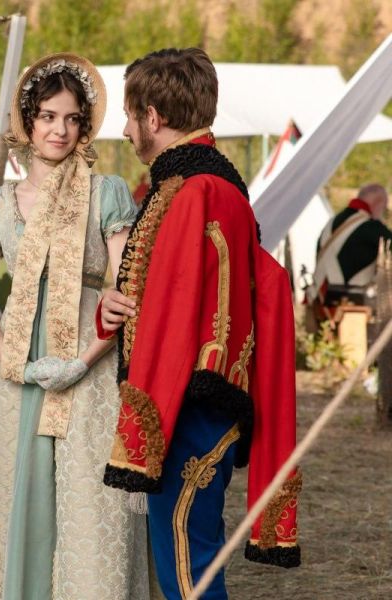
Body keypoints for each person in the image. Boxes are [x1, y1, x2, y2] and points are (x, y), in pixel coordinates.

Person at [98, 48, 301, 599]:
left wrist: (148, 424)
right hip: (199, 406)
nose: (126, 130)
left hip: (191, 410)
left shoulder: (195, 191)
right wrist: (113, 307)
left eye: (130, 116)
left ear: (153, 117)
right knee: (187, 564)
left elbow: (179, 311)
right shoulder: (208, 186)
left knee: (188, 573)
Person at [0, 53, 149, 600]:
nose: (59, 130)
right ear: (27, 121)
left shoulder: (106, 193)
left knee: (86, 502)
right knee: (18, 496)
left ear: (84, 127)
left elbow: (124, 294)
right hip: (17, 373)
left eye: (71, 118)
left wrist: (79, 363)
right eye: (47, 116)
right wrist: (23, 365)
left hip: (88, 367)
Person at [309, 183, 392, 318]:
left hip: (317, 303)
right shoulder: (371, 227)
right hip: (349, 309)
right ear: (378, 203)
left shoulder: (332, 222)